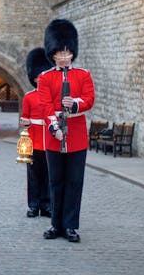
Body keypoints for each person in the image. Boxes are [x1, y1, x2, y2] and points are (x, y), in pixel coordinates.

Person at [37, 19, 95, 243]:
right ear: (52, 54)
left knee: (74, 182)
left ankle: (70, 226)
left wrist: (76, 104)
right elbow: (44, 105)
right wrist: (54, 127)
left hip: (77, 137)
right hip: (55, 138)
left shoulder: (83, 75)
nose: (63, 56)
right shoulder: (45, 78)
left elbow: (90, 99)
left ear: (72, 52)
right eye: (59, 52)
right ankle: (55, 224)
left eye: (67, 51)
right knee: (55, 182)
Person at [19, 47, 53, 218]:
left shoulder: (52, 97)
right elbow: (24, 118)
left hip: (48, 141)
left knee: (47, 176)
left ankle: (46, 205)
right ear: (35, 79)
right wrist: (26, 122)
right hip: (33, 141)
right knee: (33, 176)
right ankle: (33, 205)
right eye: (39, 78)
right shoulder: (29, 97)